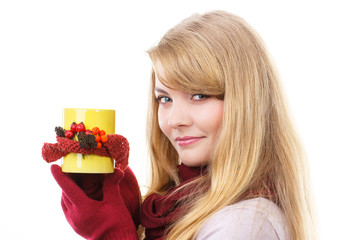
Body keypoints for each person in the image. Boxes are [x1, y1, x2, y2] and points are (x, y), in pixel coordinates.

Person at [50, 10, 316, 240]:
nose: (175, 120)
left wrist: (113, 233)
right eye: (164, 98)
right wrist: (133, 221)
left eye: (199, 95)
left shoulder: (242, 223)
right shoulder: (179, 206)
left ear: (246, 102)